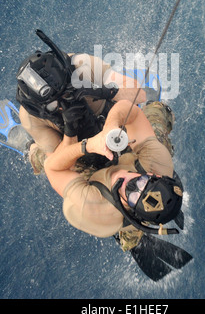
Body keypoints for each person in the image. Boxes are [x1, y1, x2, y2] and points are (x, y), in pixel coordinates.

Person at [44, 98, 183, 251]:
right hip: (137, 159)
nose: (126, 183)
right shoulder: (157, 162)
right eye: (142, 182)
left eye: (132, 196)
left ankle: (130, 238)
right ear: (152, 175)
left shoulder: (92, 206)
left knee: (47, 154)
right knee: (157, 110)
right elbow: (131, 111)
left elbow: (52, 168)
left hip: (98, 187)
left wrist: (87, 146)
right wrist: (110, 126)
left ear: (132, 209)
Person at [16, 30, 146, 174]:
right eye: (54, 106)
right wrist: (70, 129)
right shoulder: (31, 116)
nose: (63, 104)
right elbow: (60, 165)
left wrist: (102, 91)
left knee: (156, 116)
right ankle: (33, 150)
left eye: (67, 94)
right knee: (61, 170)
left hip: (113, 120)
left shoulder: (82, 65)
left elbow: (140, 95)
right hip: (77, 148)